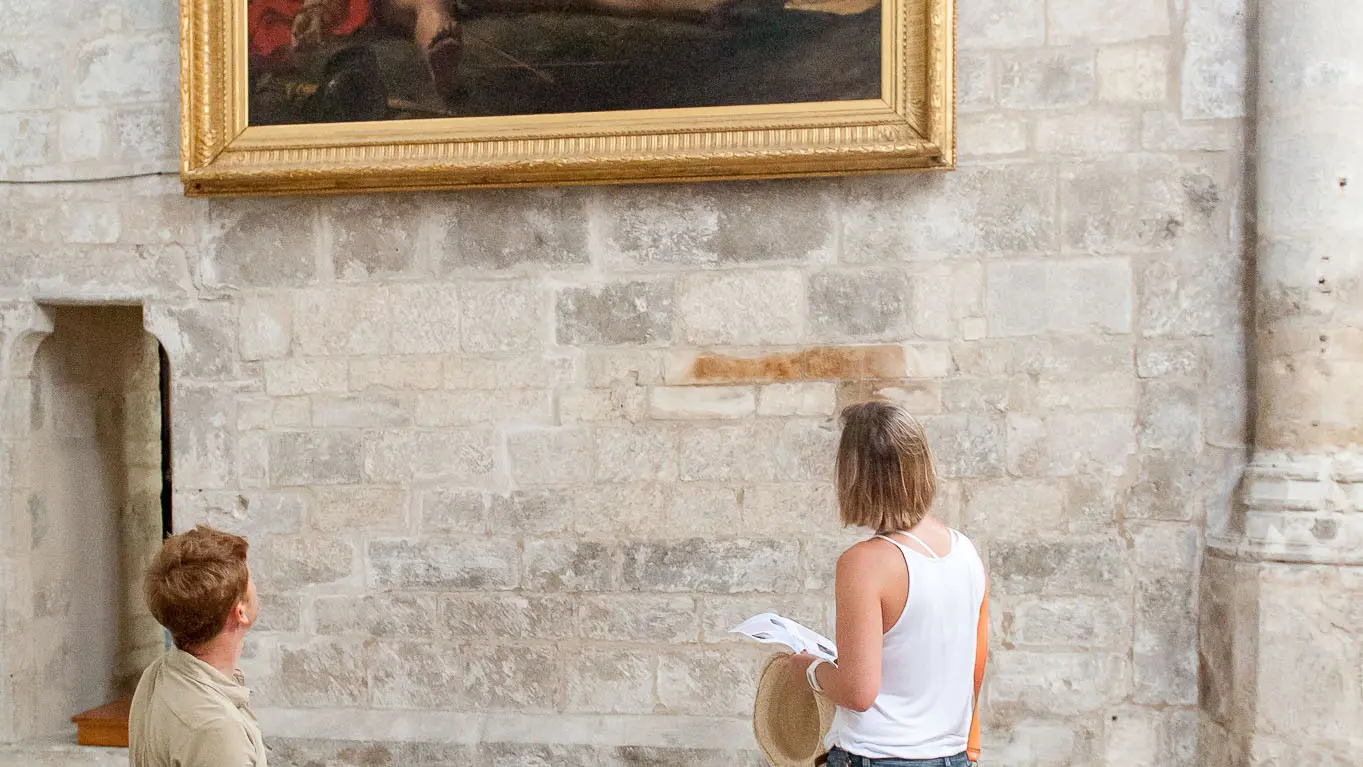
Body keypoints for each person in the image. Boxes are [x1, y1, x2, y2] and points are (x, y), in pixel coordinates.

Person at [786, 401, 989, 767]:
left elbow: (857, 691)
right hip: (952, 757)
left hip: (877, 757)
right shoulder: (966, 552)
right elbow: (974, 669)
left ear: (855, 478)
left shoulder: (864, 563)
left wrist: (807, 668)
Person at [129, 526, 267, 767]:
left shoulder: (158, 674)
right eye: (250, 577)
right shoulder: (217, 729)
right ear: (240, 612)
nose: (255, 585)